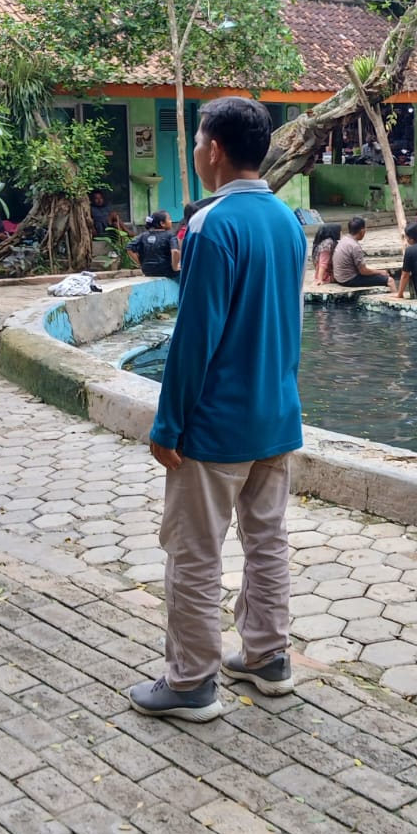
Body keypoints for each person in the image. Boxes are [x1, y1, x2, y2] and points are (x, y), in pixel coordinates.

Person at [130, 96, 308, 721]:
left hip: (215, 426)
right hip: (276, 416)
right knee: (267, 541)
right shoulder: (288, 222)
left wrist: (168, 423)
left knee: (194, 552)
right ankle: (268, 655)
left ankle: (190, 682)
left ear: (216, 150)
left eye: (199, 142)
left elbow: (194, 337)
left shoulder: (211, 225)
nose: (197, 151)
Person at [333, 216, 392, 288]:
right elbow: (363, 271)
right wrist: (380, 272)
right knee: (390, 280)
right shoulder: (355, 246)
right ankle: (397, 295)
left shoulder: (344, 240)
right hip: (349, 279)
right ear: (362, 231)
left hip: (339, 277)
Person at [128, 211, 180, 279]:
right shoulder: (170, 235)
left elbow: (129, 248)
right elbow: (175, 251)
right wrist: (175, 267)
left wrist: (141, 264)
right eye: (169, 219)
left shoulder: (143, 235)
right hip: (166, 271)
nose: (171, 221)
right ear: (162, 223)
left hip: (147, 271)